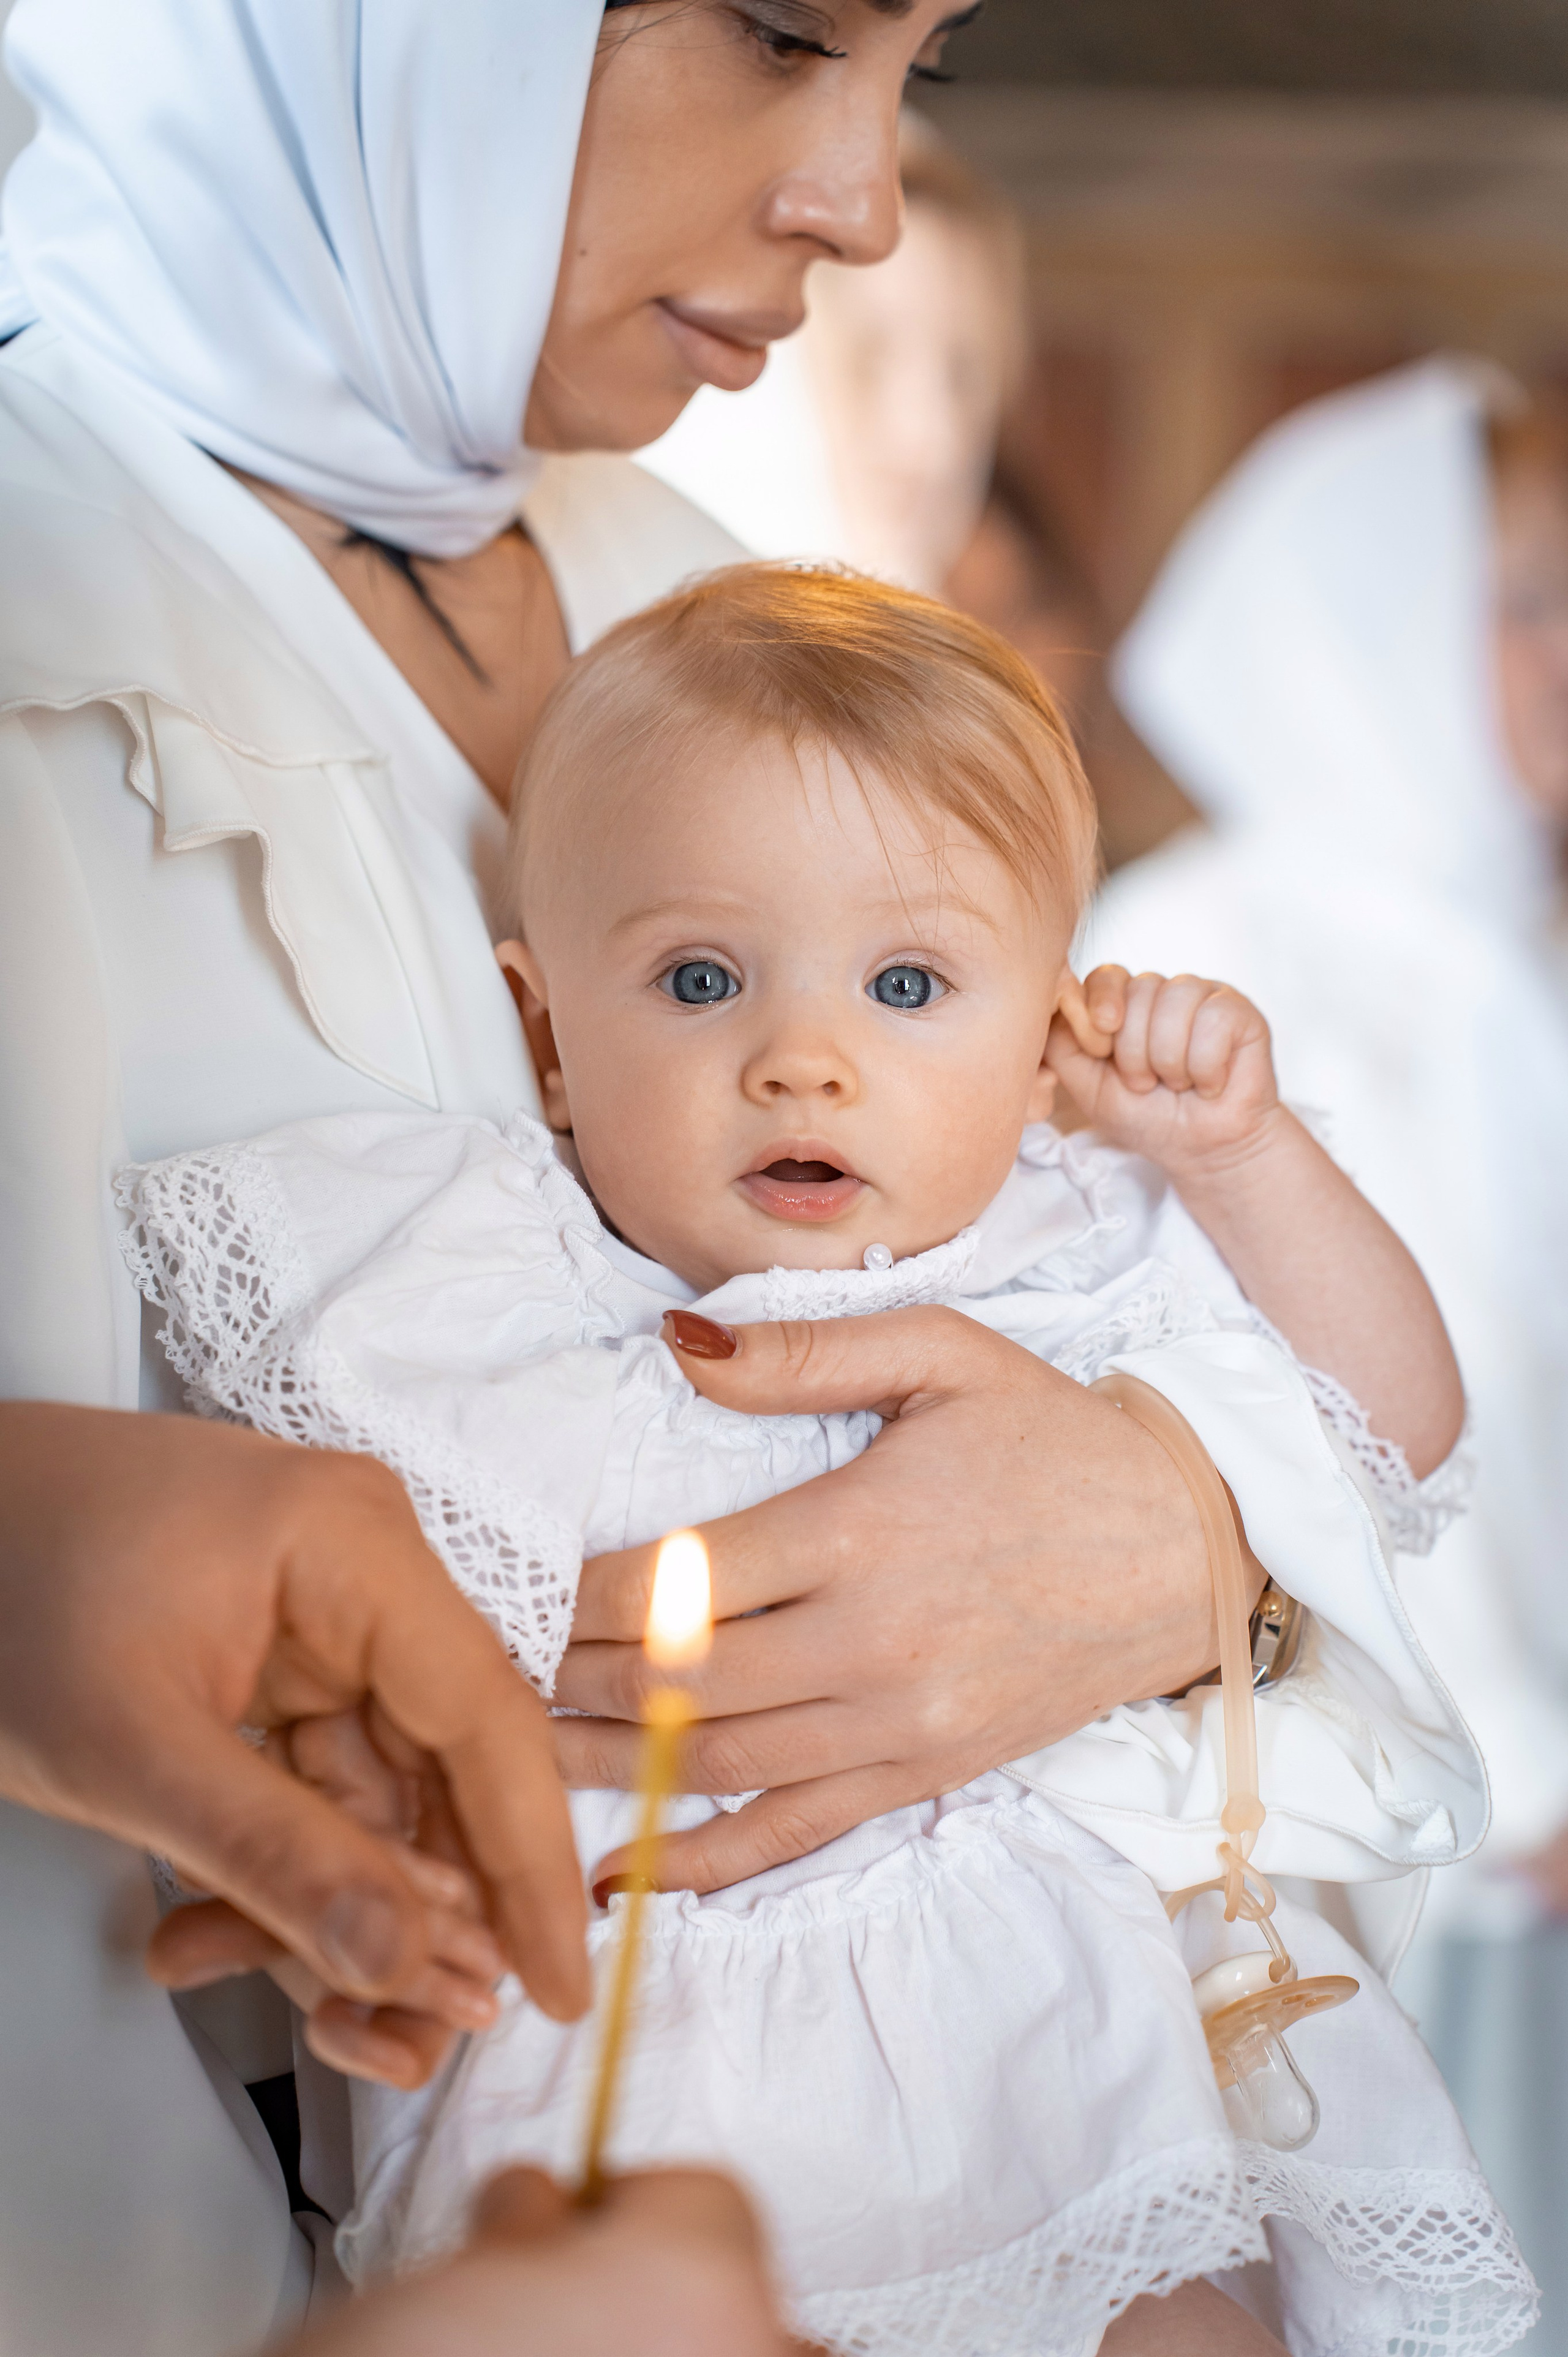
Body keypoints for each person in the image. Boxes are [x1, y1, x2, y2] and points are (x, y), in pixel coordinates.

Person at [0, 0, 1486, 2340]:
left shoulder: (692, 573)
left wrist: (1173, 1528)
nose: (862, 201)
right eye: (788, 31)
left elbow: (1336, 1427)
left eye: (924, 76)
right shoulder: (38, 583)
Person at [119, 567, 1529, 2356]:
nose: (804, 1060)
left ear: (1041, 1050)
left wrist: (1243, 1157)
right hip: (640, 2066)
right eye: (701, 979)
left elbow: (1392, 1433)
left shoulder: (1082, 1240)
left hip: (1063, 2038)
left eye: (910, 983)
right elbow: (327, 1632)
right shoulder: (464, 1297)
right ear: (549, 1035)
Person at [1091, 357, 1568, 2349]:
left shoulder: (1513, 947)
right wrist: (1527, 1781)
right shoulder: (1212, 948)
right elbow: (1260, 1414)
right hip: (1425, 1838)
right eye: (1530, 601)